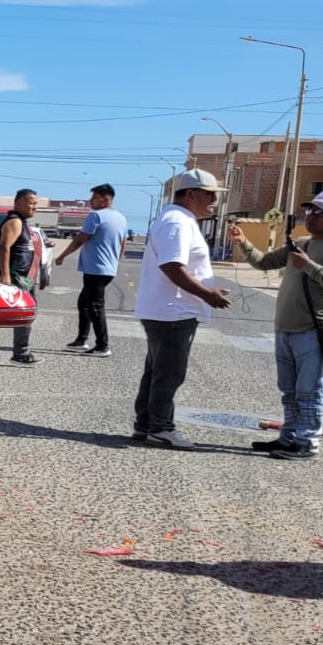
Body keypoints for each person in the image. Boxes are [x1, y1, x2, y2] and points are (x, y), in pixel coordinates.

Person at [227, 190, 323, 460]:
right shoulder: (300, 242)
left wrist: (309, 266)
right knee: (289, 390)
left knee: (310, 390)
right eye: (309, 210)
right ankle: (288, 437)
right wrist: (243, 242)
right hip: (286, 328)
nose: (311, 216)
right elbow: (264, 262)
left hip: (313, 330)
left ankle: (307, 442)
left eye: (319, 212)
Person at [131, 169, 232, 449]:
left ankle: (146, 424)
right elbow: (172, 265)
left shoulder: (180, 219)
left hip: (169, 310)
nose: (214, 200)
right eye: (209, 194)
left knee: (157, 370)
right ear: (189, 194)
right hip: (173, 311)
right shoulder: (177, 221)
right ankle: (161, 428)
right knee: (170, 373)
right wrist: (206, 293)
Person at [56, 182, 128, 357]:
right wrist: (114, 262)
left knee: (95, 307)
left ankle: (102, 346)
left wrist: (62, 255)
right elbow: (122, 245)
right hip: (107, 268)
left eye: (94, 197)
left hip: (96, 269)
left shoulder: (96, 216)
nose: (90, 201)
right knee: (84, 303)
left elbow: (80, 239)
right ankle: (81, 340)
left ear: (106, 199)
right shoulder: (121, 218)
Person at [0, 188, 40, 364]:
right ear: (18, 203)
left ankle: (20, 352)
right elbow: (3, 247)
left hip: (22, 278)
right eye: (31, 203)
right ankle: (21, 354)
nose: (34, 207)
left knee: (24, 315)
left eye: (36, 203)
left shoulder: (22, 222)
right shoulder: (14, 222)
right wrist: (5, 276)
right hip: (13, 278)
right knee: (15, 314)